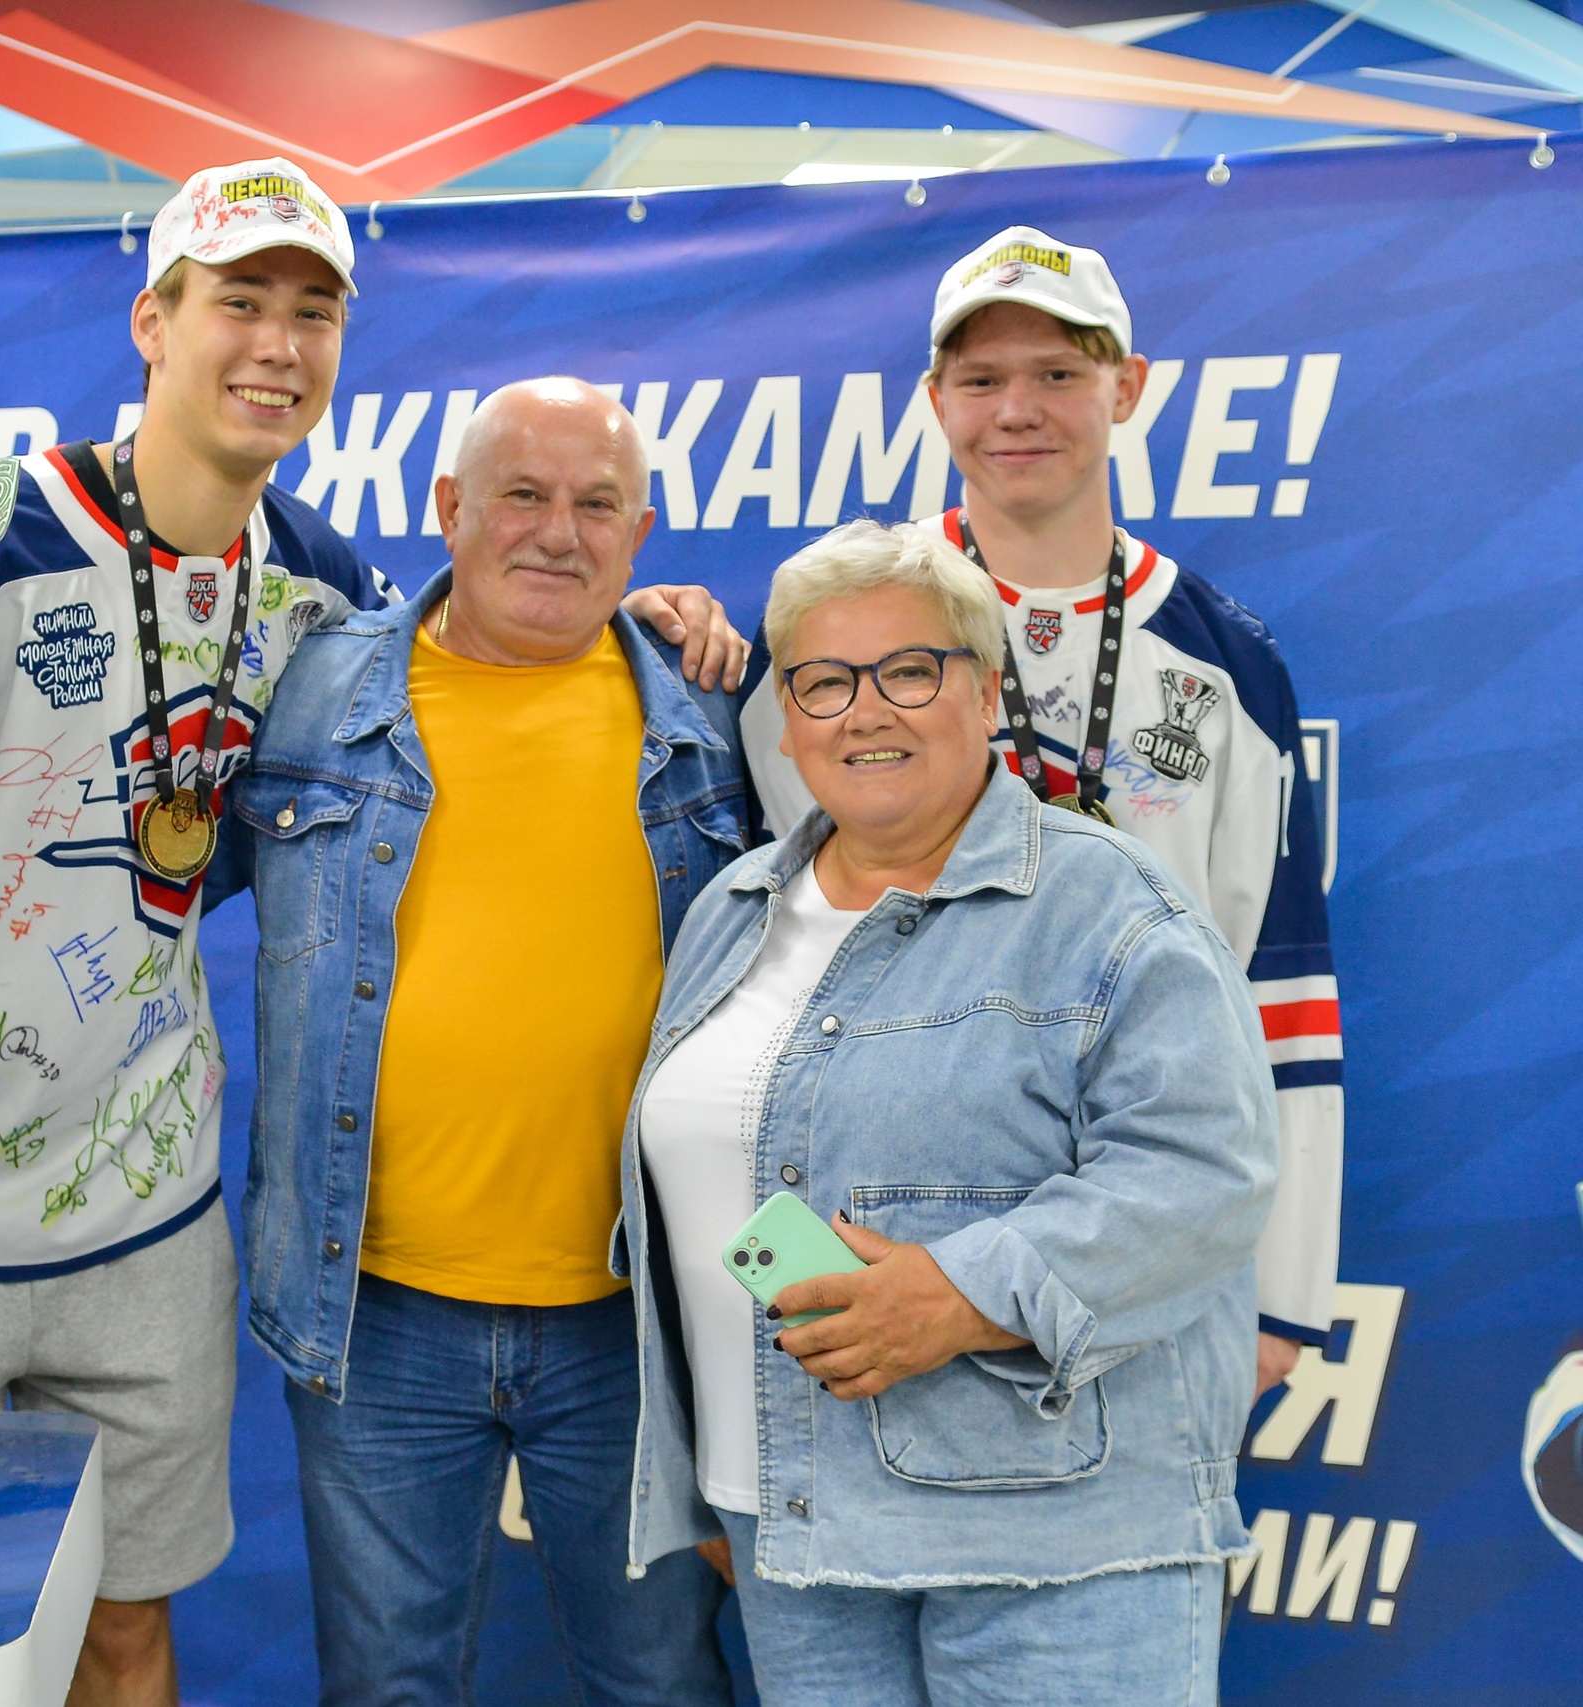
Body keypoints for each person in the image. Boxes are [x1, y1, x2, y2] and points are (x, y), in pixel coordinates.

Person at [0, 161, 738, 1706]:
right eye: (239, 301)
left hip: (147, 1213)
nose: (278, 343)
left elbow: (489, 644)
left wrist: (654, 620)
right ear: (153, 320)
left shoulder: (318, 591)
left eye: (313, 313)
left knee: (128, 1629)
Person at [633, 519, 1277, 1705]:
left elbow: (1204, 1172)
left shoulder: (1112, 907)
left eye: (909, 671)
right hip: (795, 1531)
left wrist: (966, 1292)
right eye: (824, 682)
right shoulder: (732, 908)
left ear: (985, 693)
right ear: (787, 720)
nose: (864, 712)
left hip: (1052, 1547)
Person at [736, 225, 1341, 1391]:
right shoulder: (827, 629)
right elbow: (760, 942)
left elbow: (1280, 984)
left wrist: (1280, 1299)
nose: (1017, 410)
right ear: (934, 401)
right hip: (868, 1215)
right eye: (981, 380)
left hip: (1137, 1232)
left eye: (1058, 372)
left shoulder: (1225, 664)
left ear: (1128, 387)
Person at [225, 377, 747, 1706]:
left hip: (637, 1323)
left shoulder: (718, 715)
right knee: (388, 1687)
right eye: (522, 494)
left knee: (659, 1682)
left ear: (641, 536)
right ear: (451, 505)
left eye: (596, 505)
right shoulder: (305, 686)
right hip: (372, 1311)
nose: (557, 534)